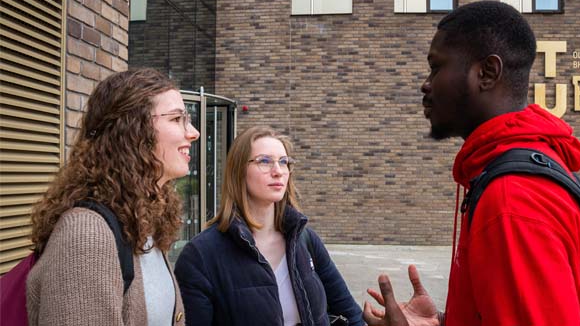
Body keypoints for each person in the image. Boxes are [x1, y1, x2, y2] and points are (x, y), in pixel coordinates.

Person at [363, 1, 580, 326]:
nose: (425, 84)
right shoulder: (524, 164)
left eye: (436, 67)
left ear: (486, 73)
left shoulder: (512, 201)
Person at [26, 68, 200, 325]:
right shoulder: (86, 235)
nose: (193, 132)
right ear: (133, 131)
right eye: (176, 119)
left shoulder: (140, 220)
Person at [174, 126, 363, 326]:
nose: (278, 171)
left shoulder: (304, 240)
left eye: (284, 162)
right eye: (264, 161)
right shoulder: (201, 255)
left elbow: (351, 314)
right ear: (239, 171)